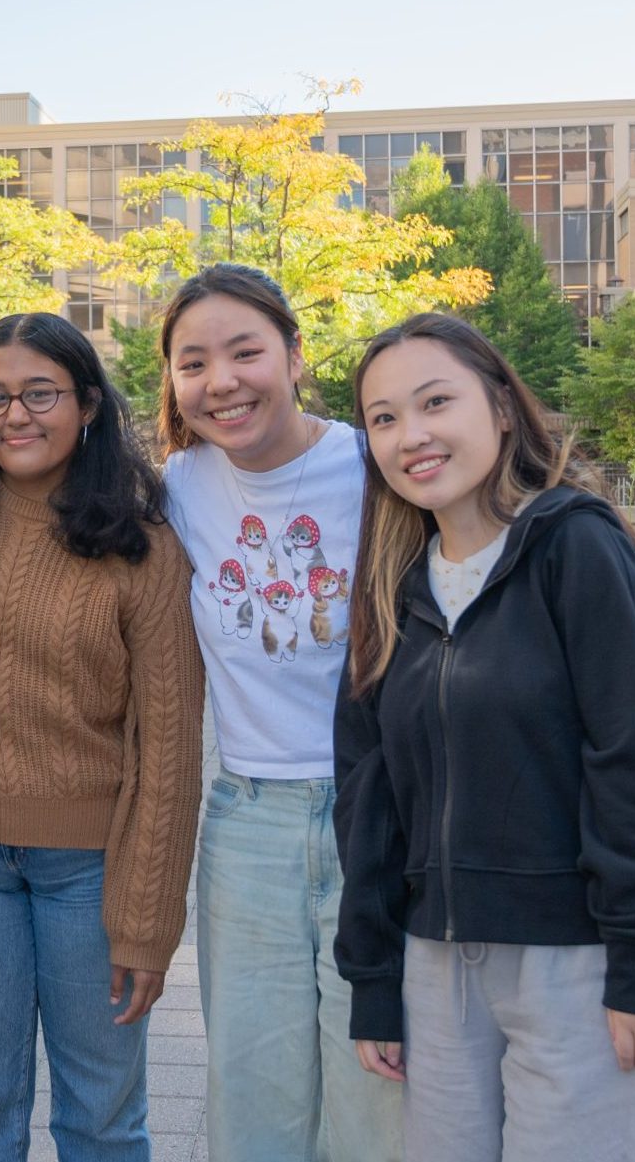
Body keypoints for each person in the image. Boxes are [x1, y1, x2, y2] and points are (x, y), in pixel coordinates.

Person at [333, 312, 635, 1161]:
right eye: (384, 418)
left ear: (502, 408)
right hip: (439, 966)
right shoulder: (393, 591)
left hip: (582, 958)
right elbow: (370, 794)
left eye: (435, 402)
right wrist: (375, 980)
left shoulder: (573, 546)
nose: (411, 435)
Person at [0, 312, 203, 1162]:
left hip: (89, 872)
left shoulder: (142, 546)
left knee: (102, 1118)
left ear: (90, 406)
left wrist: (149, 921)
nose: (15, 415)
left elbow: (171, 750)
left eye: (40, 393)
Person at [157, 263, 403, 1161]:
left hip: (377, 818)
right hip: (246, 825)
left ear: (296, 357)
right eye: (193, 363)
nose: (221, 381)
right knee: (253, 1105)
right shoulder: (176, 488)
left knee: (379, 1098)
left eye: (245, 351)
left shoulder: (376, 463)